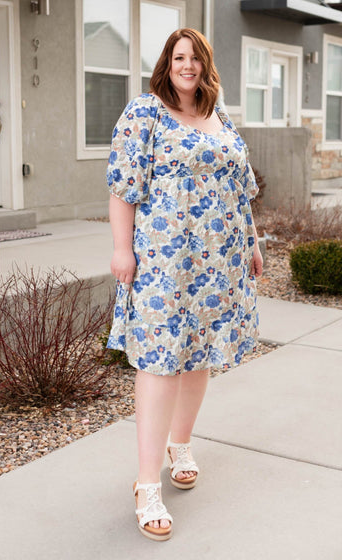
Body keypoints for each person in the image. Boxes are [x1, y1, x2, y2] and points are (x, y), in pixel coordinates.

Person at [106, 28, 263, 541]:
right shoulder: (144, 113)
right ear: (166, 63)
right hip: (164, 263)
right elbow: (122, 187)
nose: (187, 66)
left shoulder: (220, 119)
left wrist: (254, 242)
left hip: (219, 263)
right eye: (179, 57)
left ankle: (181, 444)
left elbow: (240, 190)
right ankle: (147, 485)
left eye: (195, 58)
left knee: (201, 356)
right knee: (160, 362)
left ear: (206, 65)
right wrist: (121, 248)